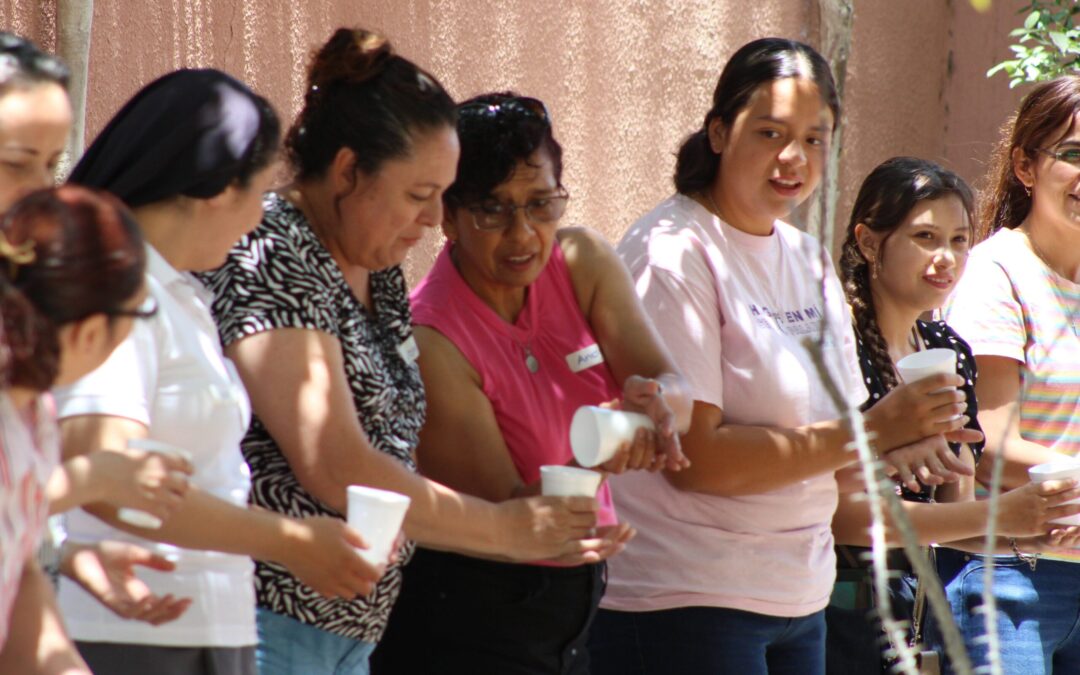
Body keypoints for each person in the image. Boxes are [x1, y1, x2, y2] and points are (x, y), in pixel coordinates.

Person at [200, 29, 615, 675]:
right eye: (420, 197)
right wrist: (507, 528)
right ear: (347, 170)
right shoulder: (274, 249)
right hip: (265, 618)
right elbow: (335, 463)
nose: (430, 224)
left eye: (440, 199)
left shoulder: (377, 265)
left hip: (352, 630)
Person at [587, 38, 977, 675]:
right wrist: (876, 430)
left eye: (815, 138)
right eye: (770, 132)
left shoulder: (807, 258)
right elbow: (698, 460)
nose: (793, 158)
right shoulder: (674, 253)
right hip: (686, 603)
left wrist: (906, 442)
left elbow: (838, 442)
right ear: (718, 131)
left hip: (800, 597)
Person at [56, 68, 382, 675]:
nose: (258, 219)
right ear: (213, 188)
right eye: (258, 194)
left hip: (204, 625)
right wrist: (288, 541)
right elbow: (108, 476)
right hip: (129, 635)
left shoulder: (180, 293)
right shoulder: (113, 291)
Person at [370, 92, 691, 674]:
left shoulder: (583, 261)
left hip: (573, 599)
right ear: (447, 215)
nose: (522, 235)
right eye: (493, 210)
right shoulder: (432, 339)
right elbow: (509, 511)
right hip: (472, 608)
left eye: (541, 205)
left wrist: (660, 408)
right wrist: (602, 459)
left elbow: (672, 387)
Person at [827, 156, 1080, 672]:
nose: (946, 257)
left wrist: (1031, 534)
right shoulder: (836, 338)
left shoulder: (948, 347)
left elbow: (951, 515)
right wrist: (1000, 515)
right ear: (870, 241)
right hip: (836, 601)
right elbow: (843, 515)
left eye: (959, 240)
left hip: (911, 604)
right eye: (925, 237)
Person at [938, 75, 1080, 674]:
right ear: (1025, 165)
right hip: (1009, 573)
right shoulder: (996, 273)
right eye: (1073, 156)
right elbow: (991, 450)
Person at [0, 185, 149, 673]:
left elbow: (21, 576)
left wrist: (67, 552)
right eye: (138, 315)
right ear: (88, 332)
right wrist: (97, 477)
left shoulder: (35, 410)